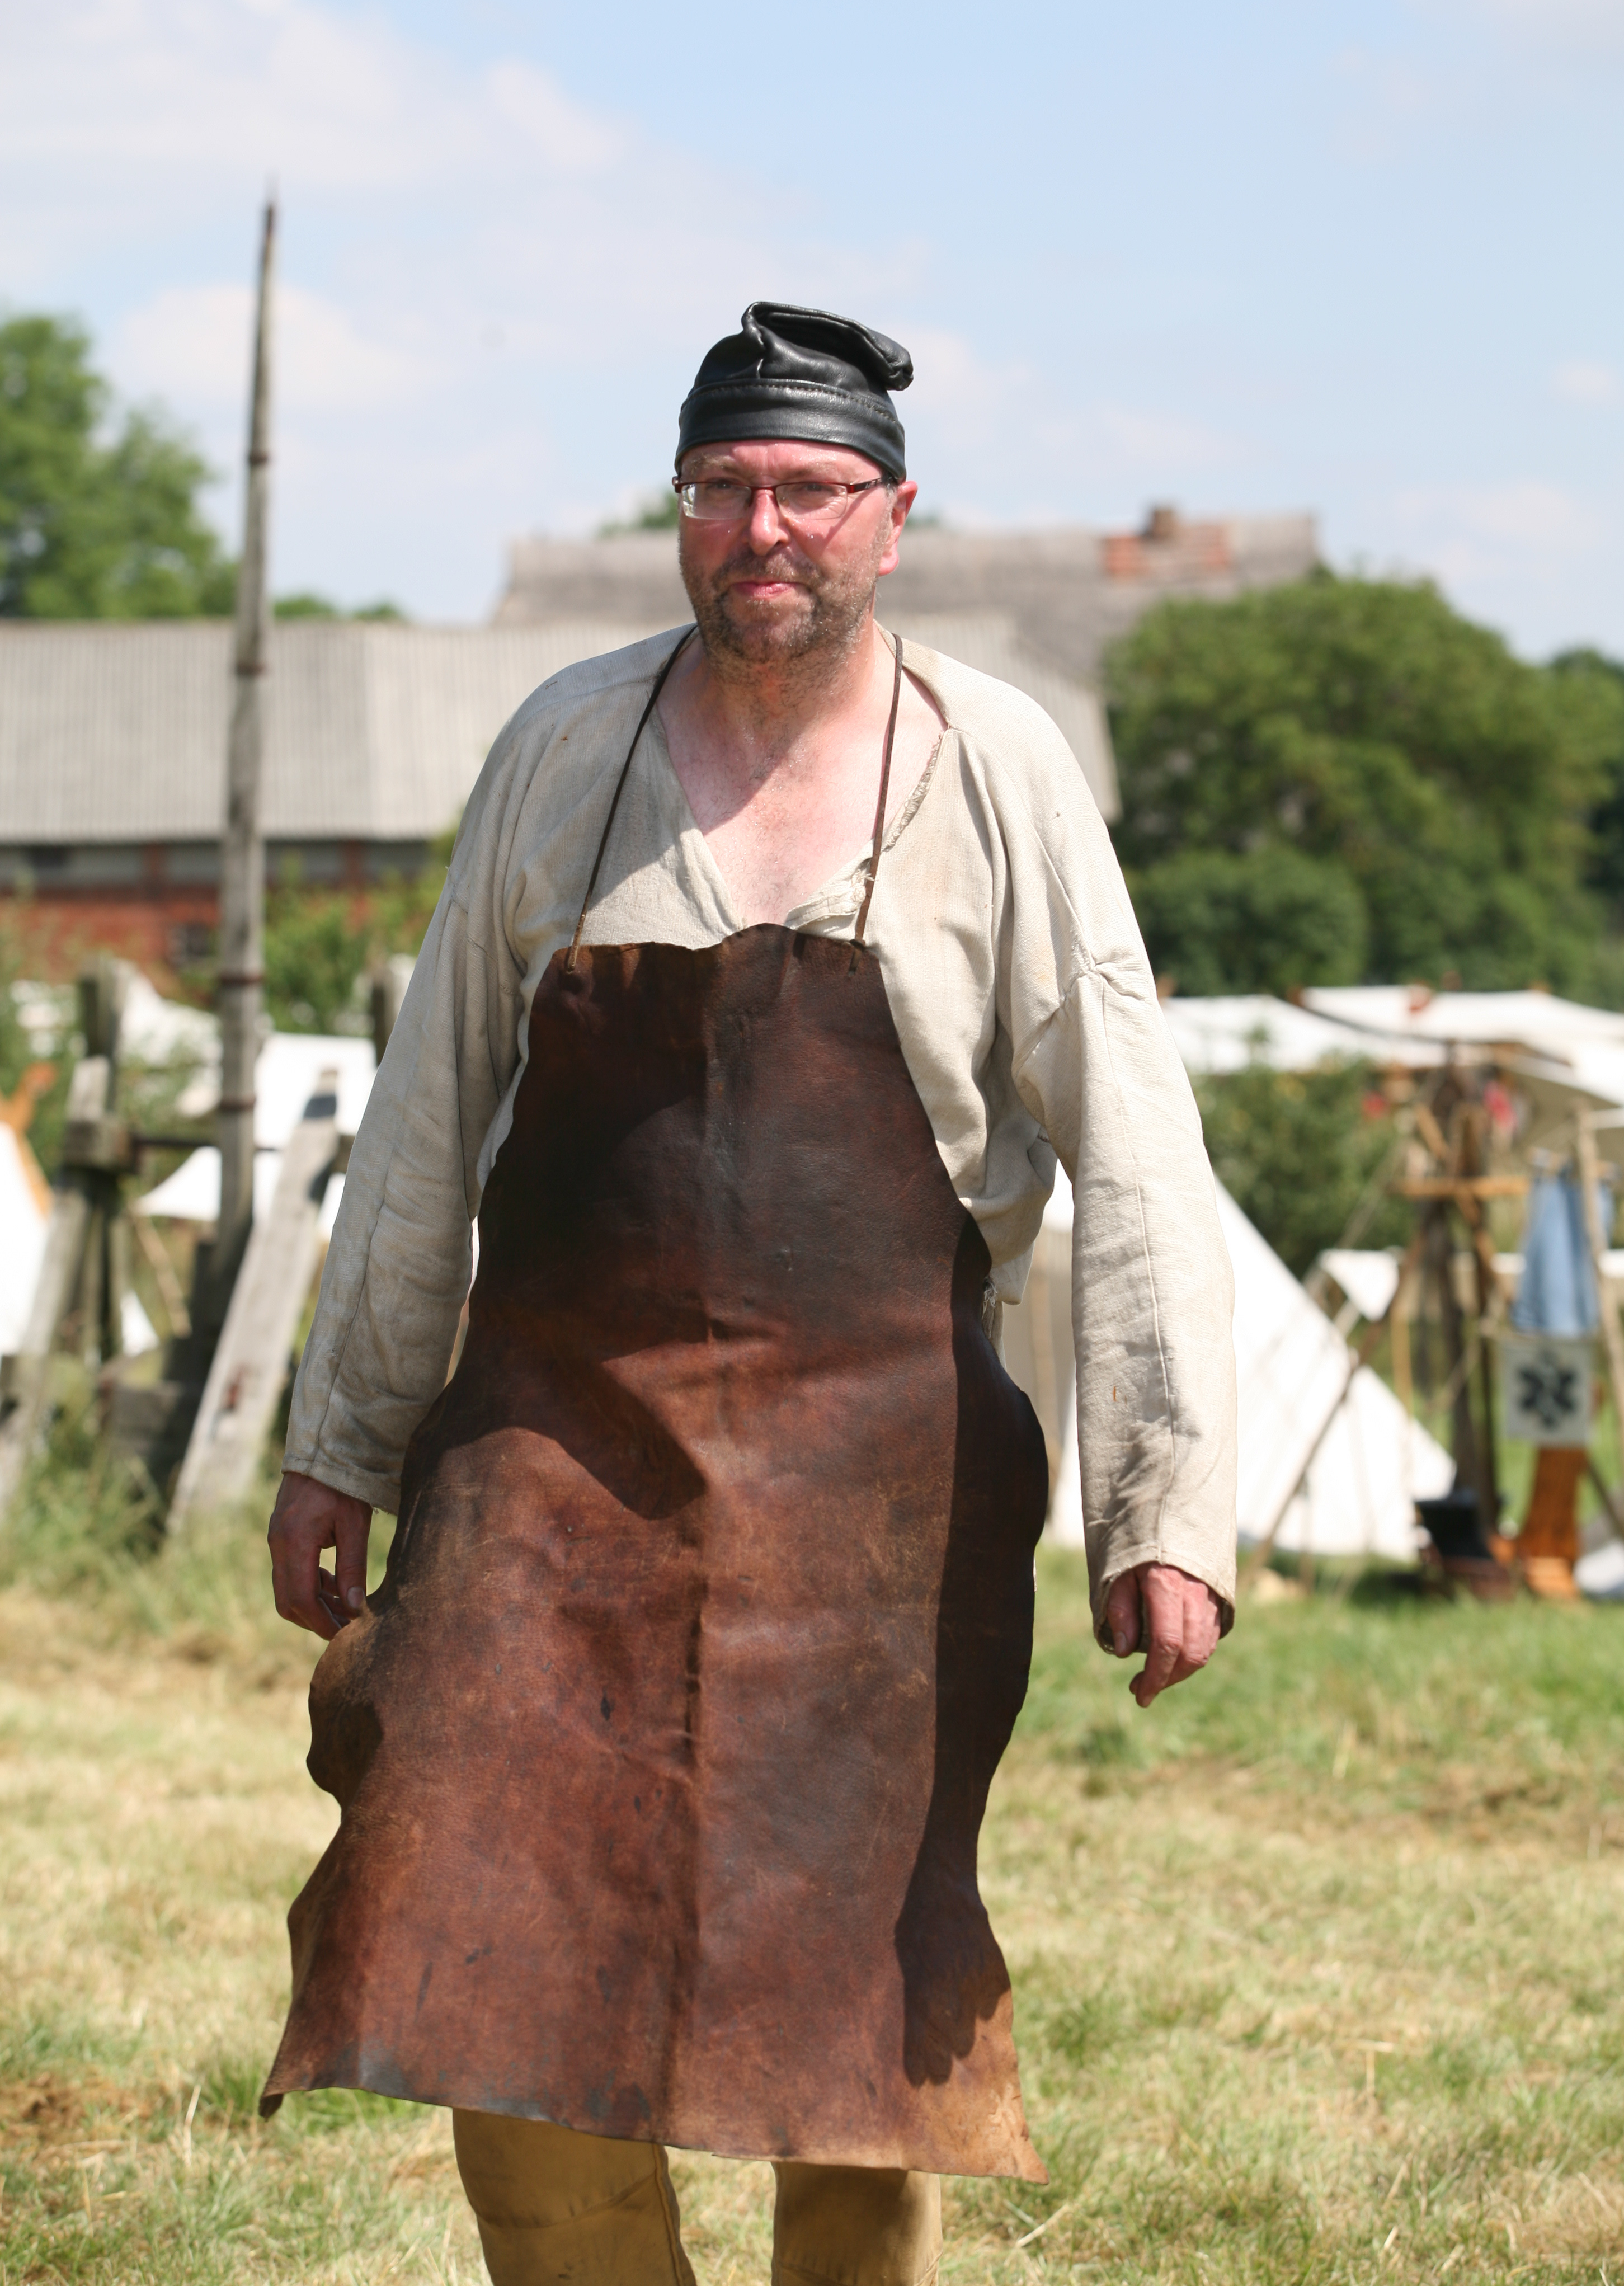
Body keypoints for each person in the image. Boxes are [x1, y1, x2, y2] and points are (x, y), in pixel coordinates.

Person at [263, 302, 1237, 2286]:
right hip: (553, 1461)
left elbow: (1138, 1146)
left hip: (881, 1491)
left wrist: (1169, 1506)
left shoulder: (997, 769)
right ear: (681, 510)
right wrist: (341, 1439)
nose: (761, 528)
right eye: (722, 489)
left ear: (892, 516)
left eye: (806, 489)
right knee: (478, 1952)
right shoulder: (566, 745)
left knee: (853, 2040)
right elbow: (428, 1110)